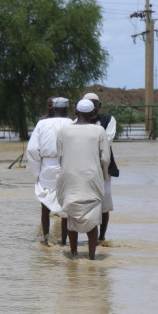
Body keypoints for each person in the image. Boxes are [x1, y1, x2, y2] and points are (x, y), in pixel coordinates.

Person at [56, 99, 110, 260]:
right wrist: (103, 174)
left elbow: (60, 156)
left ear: (76, 113)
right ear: (93, 113)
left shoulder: (64, 131)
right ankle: (92, 257)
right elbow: (105, 158)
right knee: (93, 218)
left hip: (70, 177)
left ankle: (73, 254)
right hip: (91, 177)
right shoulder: (99, 131)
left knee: (71, 215)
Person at [27, 97, 72, 245]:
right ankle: (64, 242)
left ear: (53, 109)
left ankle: (46, 238)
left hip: (46, 165)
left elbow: (33, 149)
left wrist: (36, 171)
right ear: (66, 109)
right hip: (65, 165)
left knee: (44, 204)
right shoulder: (71, 124)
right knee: (66, 205)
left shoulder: (41, 124)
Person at [83, 92, 119, 242]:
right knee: (85, 202)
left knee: (104, 204)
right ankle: (89, 238)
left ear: (99, 106)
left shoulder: (109, 120)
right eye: (88, 105)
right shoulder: (75, 122)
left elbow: (107, 140)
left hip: (104, 168)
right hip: (83, 168)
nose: (92, 108)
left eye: (94, 105)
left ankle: (101, 238)